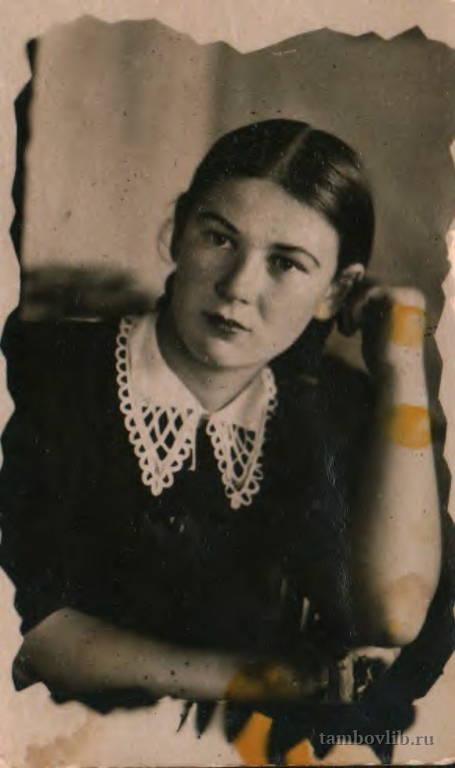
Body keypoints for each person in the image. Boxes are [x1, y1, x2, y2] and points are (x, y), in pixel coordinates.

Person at [0, 119, 446, 761]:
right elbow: (28, 628)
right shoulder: (46, 373)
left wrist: (401, 365)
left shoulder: (334, 411)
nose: (239, 286)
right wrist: (266, 679)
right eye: (218, 238)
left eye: (286, 263)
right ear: (178, 231)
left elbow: (395, 615)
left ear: (337, 291)